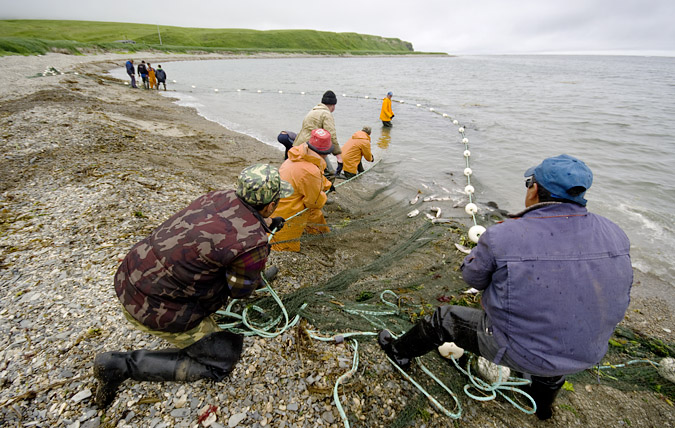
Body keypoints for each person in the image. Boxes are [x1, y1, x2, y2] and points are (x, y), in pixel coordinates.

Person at [378, 154, 632, 420]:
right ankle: (543, 408)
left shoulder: (504, 234)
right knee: (558, 333)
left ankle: (398, 353)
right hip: (587, 350)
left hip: (519, 349)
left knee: (444, 320)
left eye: (529, 183)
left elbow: (473, 278)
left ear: (533, 189)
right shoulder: (615, 232)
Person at [92, 164, 293, 409]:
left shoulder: (218, 196)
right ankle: (120, 366)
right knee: (222, 358)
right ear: (271, 204)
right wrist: (256, 259)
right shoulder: (253, 244)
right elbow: (240, 292)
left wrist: (264, 223)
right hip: (152, 308)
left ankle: (251, 273)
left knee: (230, 269)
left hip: (129, 275)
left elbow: (227, 228)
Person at [271, 128, 333, 252]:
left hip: (274, 204)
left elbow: (311, 180)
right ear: (325, 152)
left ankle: (318, 231)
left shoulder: (297, 156)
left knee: (312, 210)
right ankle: (317, 233)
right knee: (284, 246)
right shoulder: (310, 170)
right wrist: (324, 195)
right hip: (286, 212)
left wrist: (328, 185)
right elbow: (314, 202)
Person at [293, 90, 342, 174]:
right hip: (311, 147)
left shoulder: (313, 110)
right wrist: (338, 156)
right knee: (328, 172)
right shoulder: (326, 114)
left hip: (298, 144)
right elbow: (331, 136)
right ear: (333, 105)